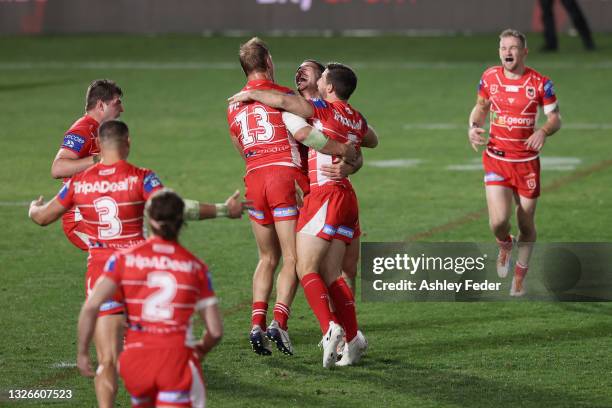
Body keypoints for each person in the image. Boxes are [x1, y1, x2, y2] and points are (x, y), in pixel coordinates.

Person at [29, 120, 245, 407]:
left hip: (102, 274)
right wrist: (223, 210)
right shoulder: (140, 178)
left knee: (107, 360)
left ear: (99, 147)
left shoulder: (79, 182)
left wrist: (34, 209)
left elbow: (44, 217)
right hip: (140, 272)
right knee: (146, 350)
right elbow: (176, 208)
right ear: (127, 142)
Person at [229, 62, 377, 367]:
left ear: (327, 85)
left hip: (325, 196)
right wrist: (349, 153)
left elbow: (289, 109)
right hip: (341, 197)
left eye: (312, 72)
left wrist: (250, 93)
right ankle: (353, 339)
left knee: (309, 267)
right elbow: (369, 139)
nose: (301, 74)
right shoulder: (350, 114)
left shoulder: (315, 109)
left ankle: (331, 330)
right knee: (331, 272)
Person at [76, 189, 222, 408]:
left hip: (136, 362)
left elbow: (91, 306)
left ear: (149, 220)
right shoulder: (195, 267)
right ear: (182, 221)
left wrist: (83, 351)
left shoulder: (123, 259)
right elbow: (215, 331)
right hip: (175, 359)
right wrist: (200, 349)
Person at [467, 29, 561, 296]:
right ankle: (505, 244)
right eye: (503, 47)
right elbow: (481, 108)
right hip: (497, 158)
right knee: (498, 222)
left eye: (513, 47)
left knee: (526, 223)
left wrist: (543, 131)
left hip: (527, 164)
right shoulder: (489, 77)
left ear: (524, 52)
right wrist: (473, 126)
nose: (508, 52)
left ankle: (520, 273)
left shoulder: (540, 83)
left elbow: (555, 117)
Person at [51, 79, 125, 251]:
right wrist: (98, 159)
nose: (121, 109)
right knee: (123, 254)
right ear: (101, 105)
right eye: (117, 103)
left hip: (97, 210)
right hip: (80, 219)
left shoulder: (99, 130)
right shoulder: (82, 129)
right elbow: (58, 168)